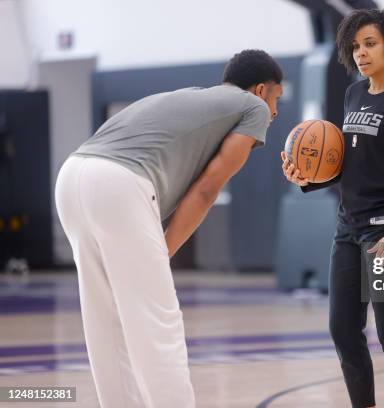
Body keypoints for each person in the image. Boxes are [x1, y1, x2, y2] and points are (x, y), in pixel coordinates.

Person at [55, 49, 283, 408]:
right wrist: (163, 252)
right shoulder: (251, 106)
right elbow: (208, 188)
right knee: (157, 320)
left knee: (106, 318)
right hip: (119, 184)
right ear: (259, 90)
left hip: (71, 176)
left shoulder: (190, 97)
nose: (275, 112)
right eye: (276, 98)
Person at [281, 9, 384, 408]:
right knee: (343, 329)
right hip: (348, 227)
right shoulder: (354, 93)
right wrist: (306, 178)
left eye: (370, 44)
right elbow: (350, 167)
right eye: (355, 46)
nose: (361, 53)